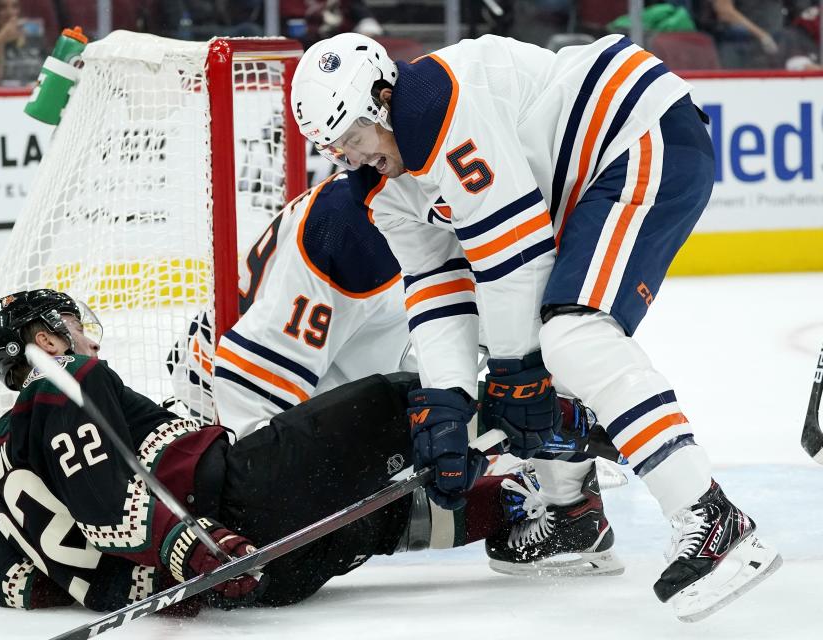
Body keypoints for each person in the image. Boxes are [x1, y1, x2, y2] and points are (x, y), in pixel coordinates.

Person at [290, 32, 781, 620]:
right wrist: (448, 403)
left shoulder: (437, 106)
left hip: (637, 132)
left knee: (570, 338)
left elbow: (515, 255)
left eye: (353, 137)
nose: (350, 156)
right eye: (335, 148)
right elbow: (438, 286)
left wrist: (513, 373)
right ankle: (571, 515)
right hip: (590, 180)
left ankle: (712, 517)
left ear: (382, 97)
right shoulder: (385, 187)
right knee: (528, 361)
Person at [0, 288, 561, 614]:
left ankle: (517, 512)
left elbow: (12, 585)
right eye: (70, 329)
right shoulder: (61, 380)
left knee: (378, 517)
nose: (85, 338)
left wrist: (168, 582)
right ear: (45, 342)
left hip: (258, 576)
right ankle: (557, 420)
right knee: (390, 401)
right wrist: (195, 547)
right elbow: (106, 499)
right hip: (230, 505)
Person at [168, 171, 625, 576]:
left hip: (332, 377)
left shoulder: (454, 207)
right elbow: (248, 395)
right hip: (229, 418)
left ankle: (569, 504)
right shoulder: (351, 231)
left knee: (535, 353)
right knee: (319, 529)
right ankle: (520, 489)